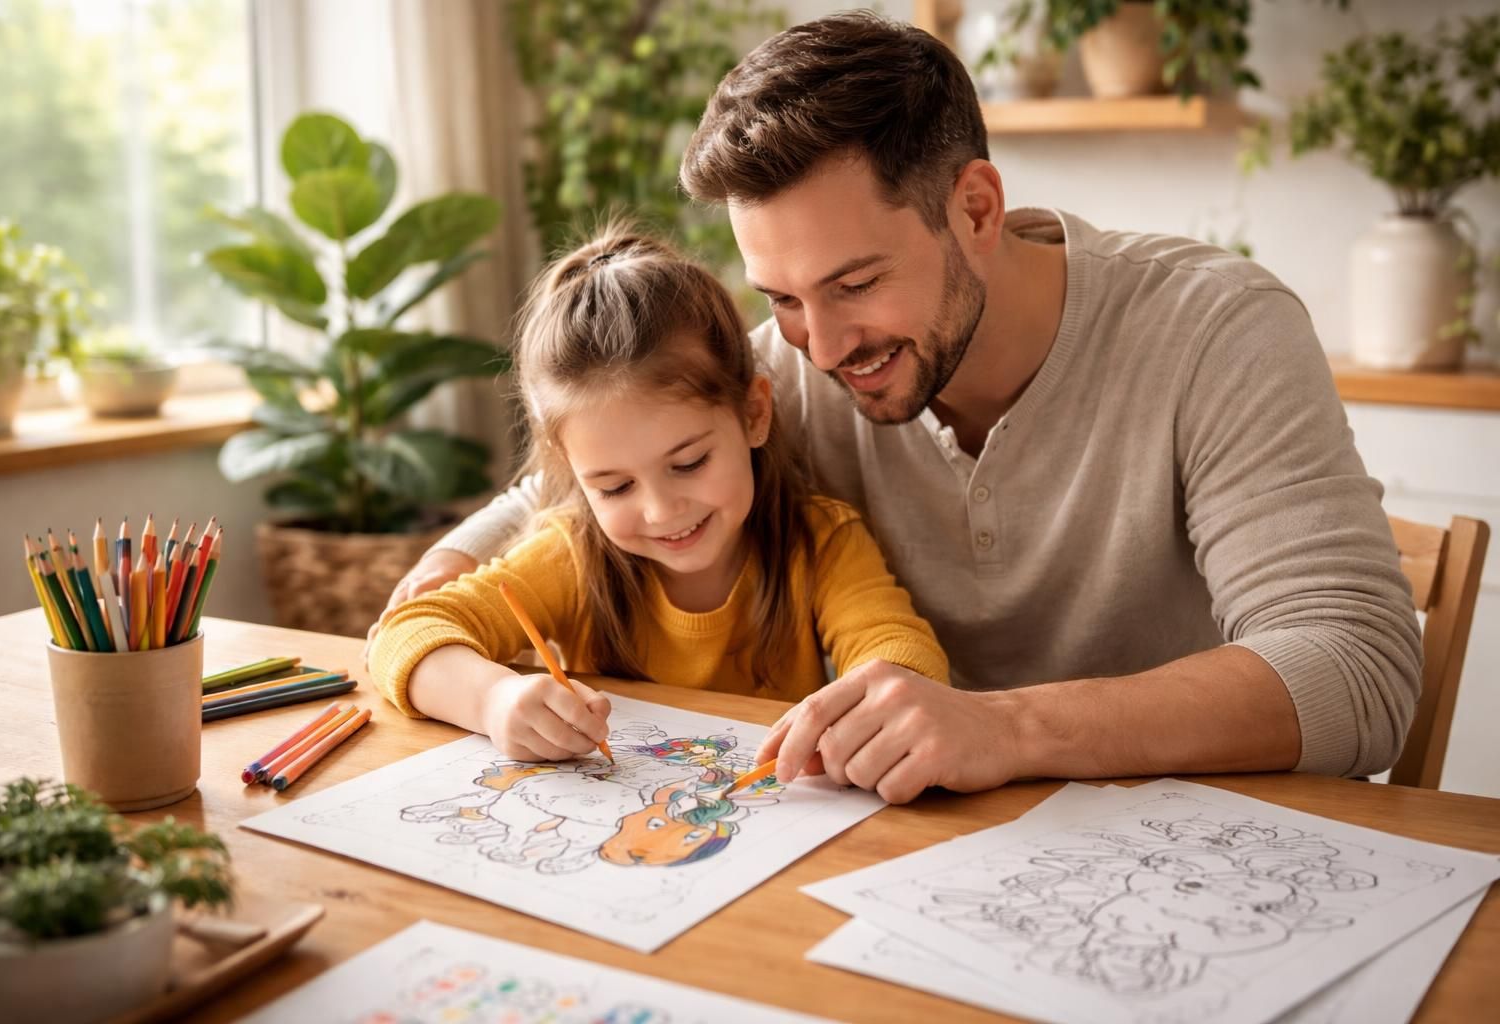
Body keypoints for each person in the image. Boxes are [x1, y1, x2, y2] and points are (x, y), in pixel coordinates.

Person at [372, 13, 1421, 801]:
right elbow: (564, 477)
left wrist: (1004, 729)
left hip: (1207, 858)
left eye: (854, 284)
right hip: (929, 856)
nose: (818, 348)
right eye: (780, 298)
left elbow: (1357, 672)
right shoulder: (786, 370)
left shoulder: (1214, 330)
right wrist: (449, 575)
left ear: (975, 209)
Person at [366, 225, 949, 761]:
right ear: (573, 472)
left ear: (753, 414)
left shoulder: (821, 541)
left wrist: (876, 711)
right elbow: (404, 634)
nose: (660, 509)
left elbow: (899, 653)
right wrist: (492, 701)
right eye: (614, 486)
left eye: (689, 463)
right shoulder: (570, 554)